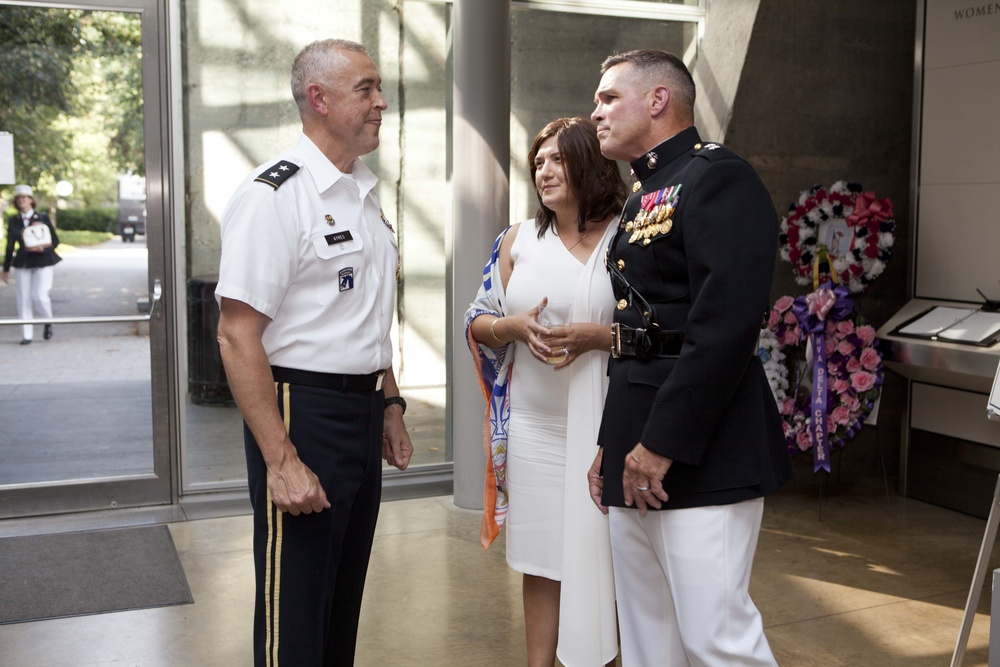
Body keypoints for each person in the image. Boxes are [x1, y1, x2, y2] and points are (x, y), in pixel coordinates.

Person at [587, 49, 793, 666]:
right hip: (637, 438)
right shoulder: (646, 190)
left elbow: (722, 327)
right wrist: (614, 440)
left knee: (716, 638)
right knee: (651, 640)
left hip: (700, 444)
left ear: (657, 101)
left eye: (607, 98)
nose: (594, 112)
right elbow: (637, 332)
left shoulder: (717, 178)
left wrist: (661, 442)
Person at [215, 38, 413, 666]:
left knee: (340, 599)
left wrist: (389, 405)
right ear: (319, 99)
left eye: (380, 89)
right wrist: (280, 460)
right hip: (300, 410)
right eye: (367, 89)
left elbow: (363, 317)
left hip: (359, 413)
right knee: (294, 606)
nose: (382, 102)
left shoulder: (362, 194)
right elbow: (236, 333)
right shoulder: (274, 196)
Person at [466, 117, 626, 667]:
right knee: (542, 560)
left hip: (607, 430)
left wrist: (596, 337)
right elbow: (478, 320)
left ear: (591, 162)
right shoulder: (518, 240)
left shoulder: (627, 238)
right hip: (535, 428)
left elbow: (655, 331)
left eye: (557, 158)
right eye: (537, 162)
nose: (544, 171)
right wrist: (512, 328)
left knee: (605, 558)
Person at [2, 184, 61, 345]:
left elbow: (55, 241)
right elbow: (10, 245)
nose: (21, 200)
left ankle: (48, 321)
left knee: (39, 296)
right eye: (18, 198)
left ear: (30, 200)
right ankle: (26, 334)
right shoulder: (14, 220)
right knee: (23, 298)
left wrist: (43, 247)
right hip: (24, 261)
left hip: (43, 260)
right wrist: (5, 269)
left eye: (24, 197)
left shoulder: (42, 218)